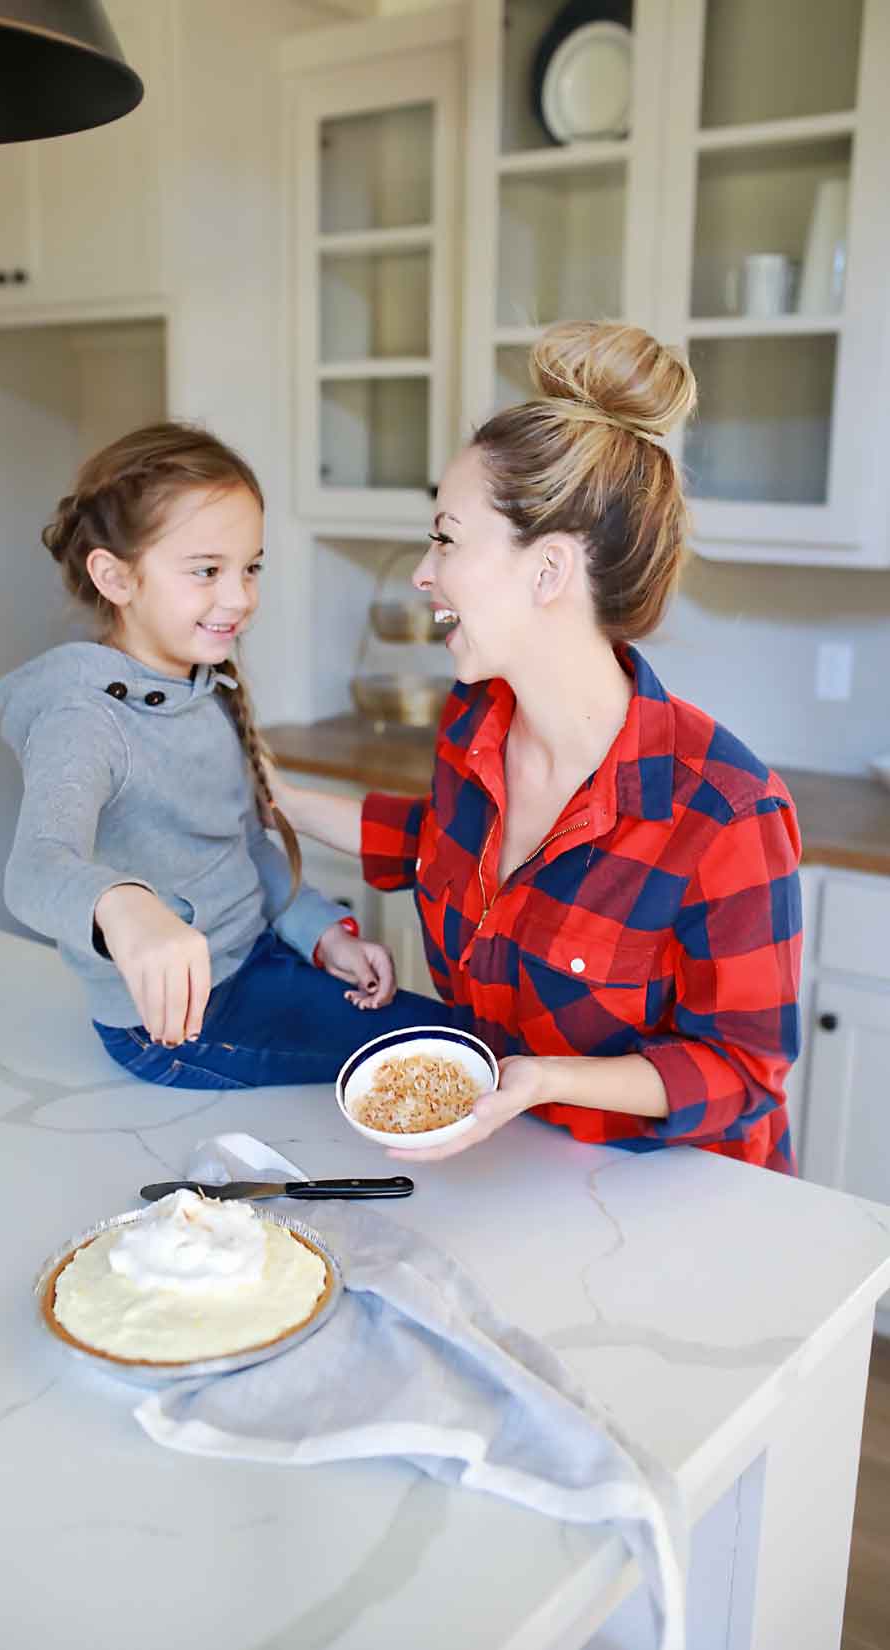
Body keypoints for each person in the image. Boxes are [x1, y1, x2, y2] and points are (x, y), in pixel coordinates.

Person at [274, 322, 803, 1170]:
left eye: (446, 537)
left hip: (683, 1200)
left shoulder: (725, 812)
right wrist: (280, 803)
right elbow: (450, 852)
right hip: (517, 1163)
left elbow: (743, 1072)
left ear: (548, 571)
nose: (424, 570)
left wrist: (543, 1080)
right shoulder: (475, 719)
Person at [0, 422, 454, 1091]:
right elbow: (34, 870)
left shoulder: (207, 687)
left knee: (459, 1049)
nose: (238, 597)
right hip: (176, 1027)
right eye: (207, 571)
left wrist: (324, 934)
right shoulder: (82, 717)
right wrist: (124, 906)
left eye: (250, 568)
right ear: (115, 577)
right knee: (453, 1053)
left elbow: (245, 848)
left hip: (256, 964)